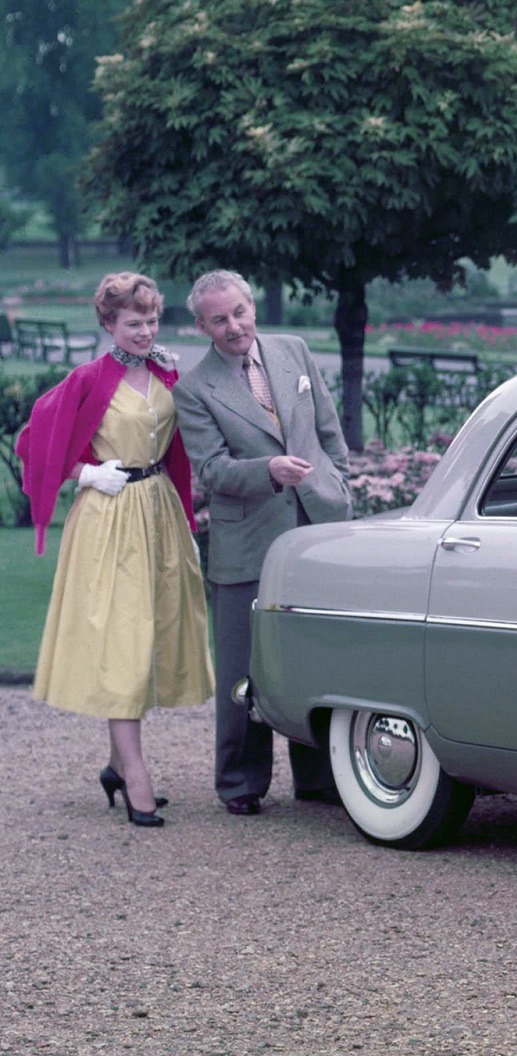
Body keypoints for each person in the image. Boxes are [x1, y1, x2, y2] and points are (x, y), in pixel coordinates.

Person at [19, 272, 214, 828]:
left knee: (152, 639)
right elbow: (32, 443)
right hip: (109, 518)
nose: (146, 331)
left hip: (157, 513)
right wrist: (83, 473)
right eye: (134, 323)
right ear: (108, 324)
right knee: (124, 644)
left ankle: (113, 764)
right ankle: (136, 776)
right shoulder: (86, 378)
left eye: (152, 321)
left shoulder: (167, 373)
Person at [172, 270, 353, 816]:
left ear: (252, 307)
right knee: (244, 666)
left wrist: (336, 482)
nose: (234, 327)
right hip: (248, 543)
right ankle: (240, 782)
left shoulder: (293, 350)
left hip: (317, 529)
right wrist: (270, 470)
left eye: (240, 313)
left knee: (316, 655)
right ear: (201, 326)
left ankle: (319, 778)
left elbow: (328, 431)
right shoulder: (194, 387)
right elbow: (211, 471)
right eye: (219, 319)